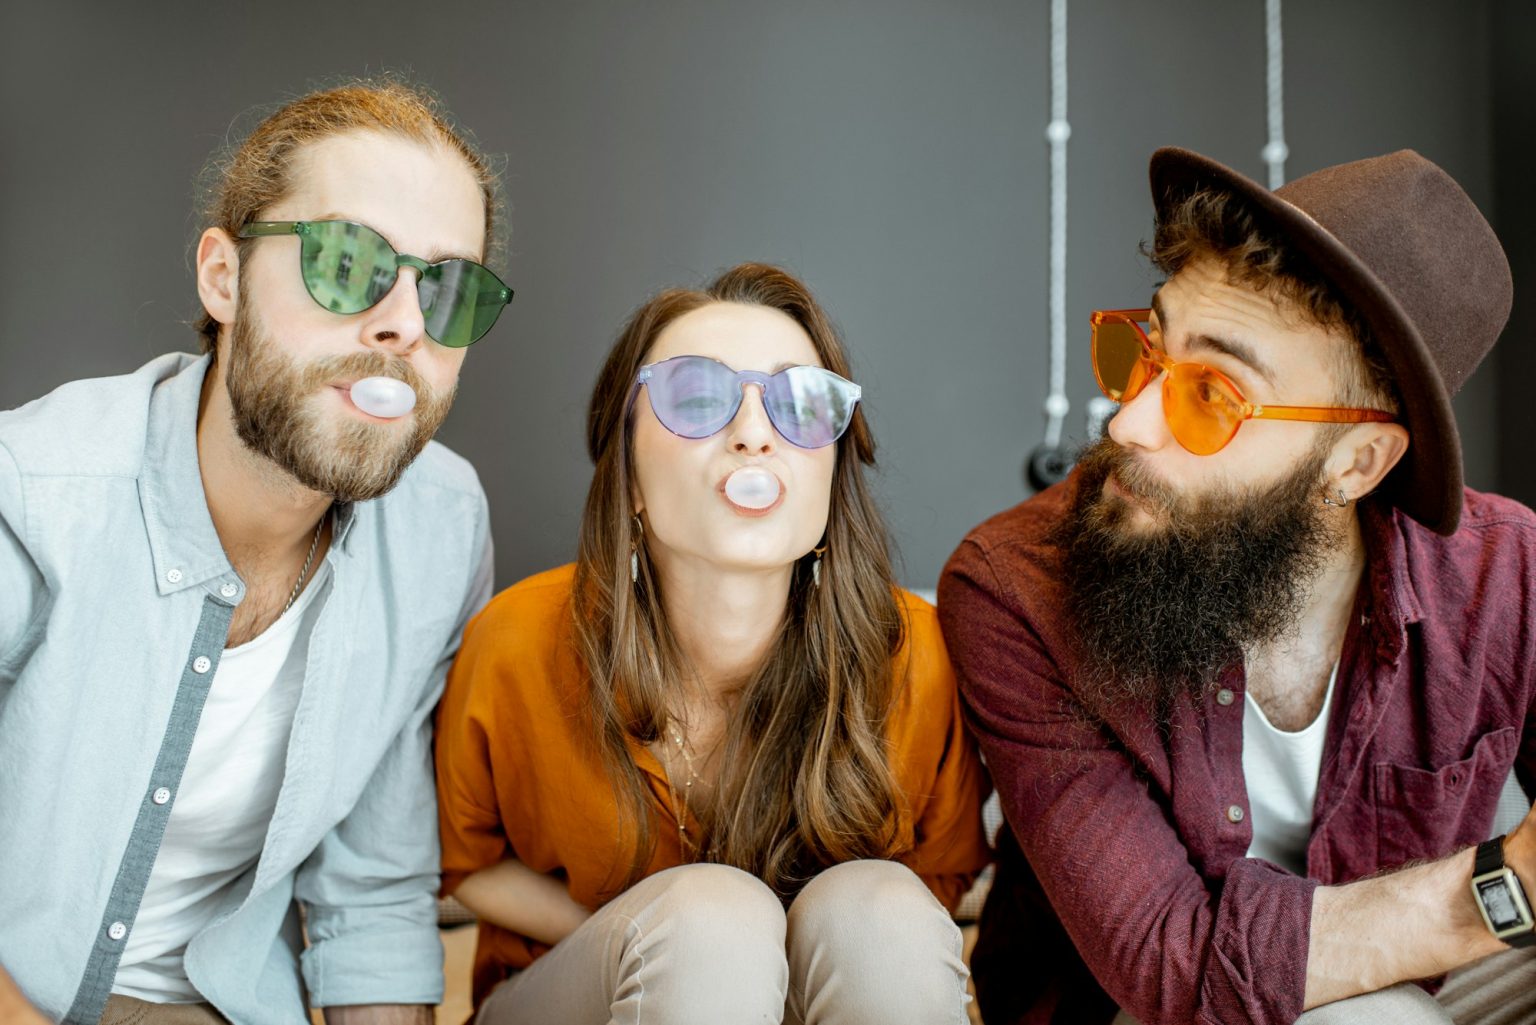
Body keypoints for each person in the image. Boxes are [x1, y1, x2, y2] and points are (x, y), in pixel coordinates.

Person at [939, 147, 1536, 1025]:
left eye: (1211, 393)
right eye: (1147, 351)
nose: (1127, 419)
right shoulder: (1014, 587)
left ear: (1356, 463)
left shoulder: (1505, 577)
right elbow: (1168, 961)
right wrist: (1501, 889)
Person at [0, 80, 511, 1024]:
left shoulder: (441, 526)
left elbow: (374, 888)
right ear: (223, 278)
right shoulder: (31, 491)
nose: (404, 323)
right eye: (346, 262)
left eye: (446, 288)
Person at [435, 263, 990, 1025]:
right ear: (627, 473)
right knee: (713, 919)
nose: (756, 435)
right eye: (696, 397)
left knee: (880, 912)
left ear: (832, 473)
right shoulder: (516, 640)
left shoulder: (916, 654)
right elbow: (464, 864)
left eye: (799, 404)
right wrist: (691, 940)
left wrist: (782, 972)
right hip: (570, 997)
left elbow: (943, 874)